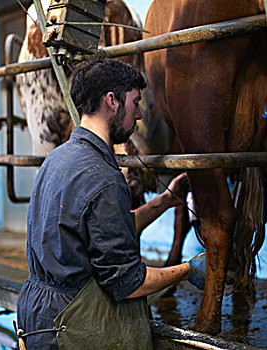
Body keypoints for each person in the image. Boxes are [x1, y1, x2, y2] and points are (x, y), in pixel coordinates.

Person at [16, 58, 206, 350]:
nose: (140, 114)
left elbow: (100, 231)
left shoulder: (58, 158)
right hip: (71, 323)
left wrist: (165, 201)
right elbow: (127, 282)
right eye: (135, 102)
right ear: (112, 101)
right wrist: (187, 270)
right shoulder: (104, 177)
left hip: (37, 311)